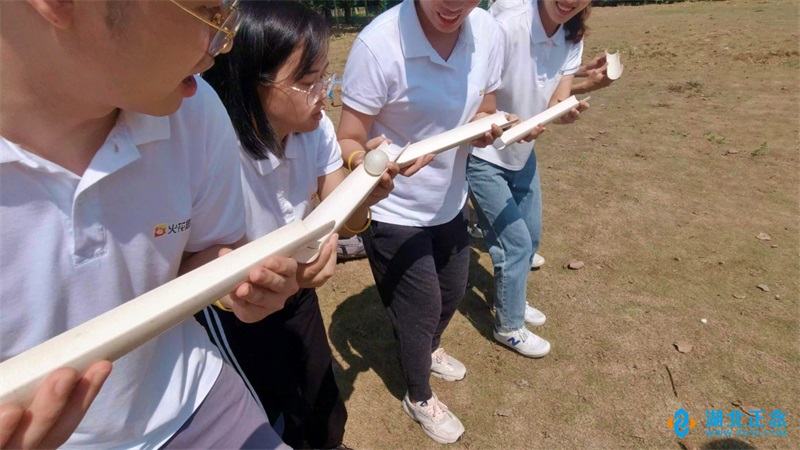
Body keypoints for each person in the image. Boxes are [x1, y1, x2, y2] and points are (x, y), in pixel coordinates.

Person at [0, 1, 301, 448]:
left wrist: (237, 282)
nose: (225, 42)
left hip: (195, 402)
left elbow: (209, 251)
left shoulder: (193, 111)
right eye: (209, 12)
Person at [198, 2, 397, 448]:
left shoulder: (316, 130)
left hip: (299, 294)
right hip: (234, 311)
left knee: (320, 399)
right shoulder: (217, 151)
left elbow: (344, 218)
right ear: (251, 82)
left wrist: (368, 193)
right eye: (308, 83)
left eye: (325, 77)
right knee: (261, 411)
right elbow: (206, 269)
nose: (324, 94)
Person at [336, 0, 512, 444]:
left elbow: (484, 105)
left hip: (450, 200)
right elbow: (347, 137)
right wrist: (369, 161)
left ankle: (428, 349)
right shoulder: (379, 46)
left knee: (452, 291)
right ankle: (418, 396)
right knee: (420, 309)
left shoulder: (487, 32)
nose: (453, 5)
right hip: (393, 207)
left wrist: (486, 125)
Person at [466, 0, 595, 358]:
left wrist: (564, 111)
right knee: (515, 244)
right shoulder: (507, 25)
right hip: (484, 154)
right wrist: (513, 124)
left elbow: (559, 96)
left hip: (522, 154)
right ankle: (508, 326)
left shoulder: (572, 35)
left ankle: (512, 298)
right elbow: (478, 97)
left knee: (531, 236)